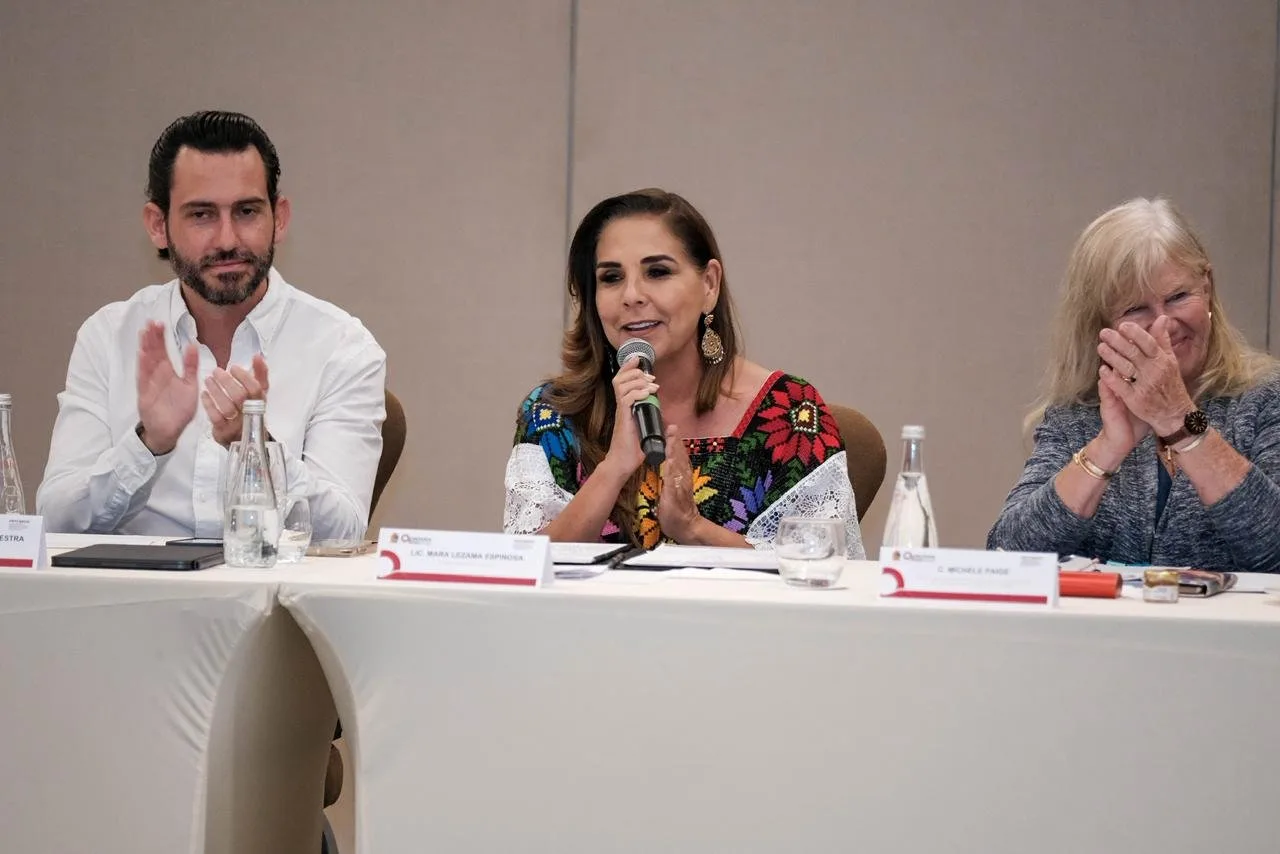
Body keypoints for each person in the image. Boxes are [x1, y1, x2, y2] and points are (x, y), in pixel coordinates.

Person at [37, 110, 386, 541]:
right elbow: (55, 523)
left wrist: (256, 446)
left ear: (279, 218)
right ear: (158, 226)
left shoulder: (342, 347)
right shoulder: (109, 337)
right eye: (201, 214)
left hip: (272, 605)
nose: (226, 239)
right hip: (135, 601)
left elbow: (344, 533)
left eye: (246, 211)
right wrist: (147, 444)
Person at [504, 188, 865, 556]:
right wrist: (613, 469)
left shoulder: (788, 412)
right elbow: (523, 569)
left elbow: (823, 570)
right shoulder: (554, 414)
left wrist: (693, 528)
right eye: (611, 277)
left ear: (709, 284)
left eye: (657, 272)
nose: (631, 295)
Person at [988, 197, 1280, 572]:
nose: (1164, 324)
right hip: (1103, 631)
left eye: (1178, 297)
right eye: (1135, 309)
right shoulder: (1079, 415)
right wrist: (1108, 448)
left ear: (1207, 288)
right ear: (1101, 326)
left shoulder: (1265, 398)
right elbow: (1007, 555)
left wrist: (1180, 419)